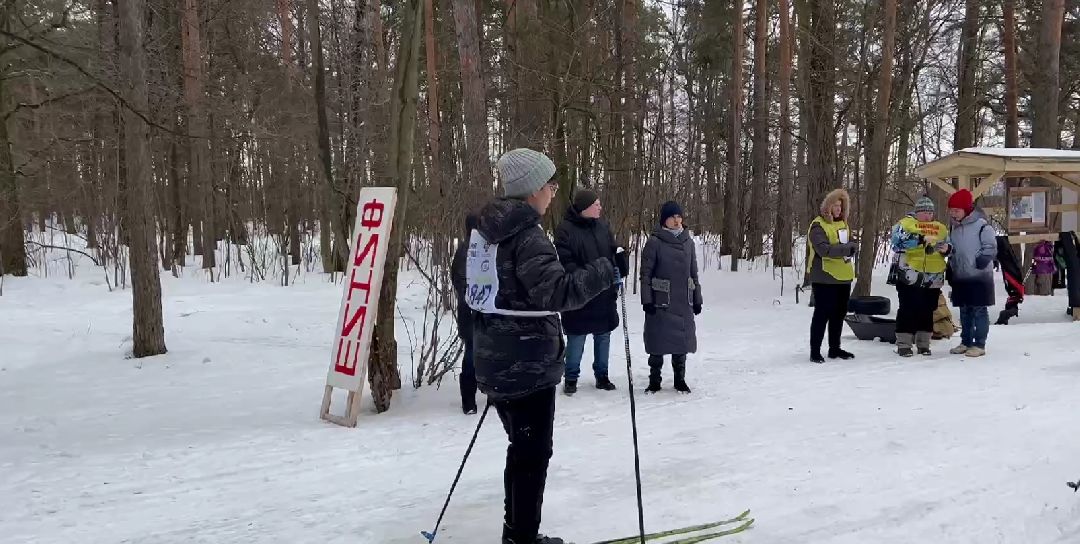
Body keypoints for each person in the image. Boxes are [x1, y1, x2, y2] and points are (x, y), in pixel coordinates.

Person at [467, 148, 621, 544]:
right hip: (527, 365)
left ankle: (516, 532)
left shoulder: (483, 233)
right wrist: (608, 270)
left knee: (522, 450)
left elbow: (466, 287)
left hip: (495, 361)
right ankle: (522, 537)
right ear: (532, 189)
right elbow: (557, 292)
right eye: (550, 185)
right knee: (533, 456)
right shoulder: (526, 236)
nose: (554, 192)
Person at [554, 189, 628, 395]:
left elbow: (612, 250)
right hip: (579, 294)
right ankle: (570, 378)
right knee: (576, 338)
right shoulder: (565, 230)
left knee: (603, 336)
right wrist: (587, 277)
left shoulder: (603, 226)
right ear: (585, 207)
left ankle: (602, 376)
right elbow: (565, 261)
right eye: (596, 204)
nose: (600, 207)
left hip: (604, 294)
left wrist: (620, 261)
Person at [640, 201, 701, 393]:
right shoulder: (654, 242)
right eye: (672, 217)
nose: (676, 220)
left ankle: (679, 379)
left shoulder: (688, 242)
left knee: (681, 343)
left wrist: (697, 298)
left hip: (683, 301)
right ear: (664, 220)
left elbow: (694, 273)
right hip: (660, 302)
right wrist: (647, 299)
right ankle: (654, 380)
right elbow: (645, 275)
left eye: (678, 216)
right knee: (657, 343)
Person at [888, 196, 950, 357]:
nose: (928, 216)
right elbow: (896, 243)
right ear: (917, 212)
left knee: (927, 310)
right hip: (909, 274)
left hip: (933, 276)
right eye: (924, 212)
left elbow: (950, 246)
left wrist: (947, 249)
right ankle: (904, 344)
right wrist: (920, 239)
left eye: (931, 212)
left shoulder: (940, 228)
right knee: (908, 309)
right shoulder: (905, 224)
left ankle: (924, 344)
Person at [944, 188, 997, 358]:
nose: (953, 213)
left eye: (956, 210)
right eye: (951, 210)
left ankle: (979, 343)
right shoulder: (954, 227)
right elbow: (953, 249)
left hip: (979, 276)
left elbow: (990, 247)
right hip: (960, 275)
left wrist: (980, 262)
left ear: (966, 209)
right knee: (964, 310)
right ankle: (965, 341)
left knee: (979, 310)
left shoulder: (982, 226)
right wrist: (947, 252)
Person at [806, 188, 857, 363]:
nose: (838, 209)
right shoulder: (818, 225)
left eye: (841, 206)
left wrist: (852, 246)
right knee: (822, 314)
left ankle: (834, 348)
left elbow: (851, 242)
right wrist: (847, 248)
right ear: (828, 206)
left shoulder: (843, 223)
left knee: (839, 314)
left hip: (843, 276)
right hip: (824, 276)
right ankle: (815, 351)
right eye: (835, 205)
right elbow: (823, 249)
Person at [450, 213, 479, 414]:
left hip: (484, 312)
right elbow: (459, 281)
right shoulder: (466, 251)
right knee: (471, 355)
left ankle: (491, 395)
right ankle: (468, 400)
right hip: (471, 312)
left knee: (487, 355)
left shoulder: (484, 248)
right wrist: (473, 298)